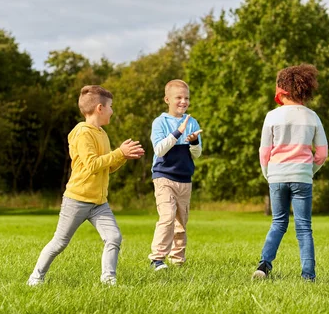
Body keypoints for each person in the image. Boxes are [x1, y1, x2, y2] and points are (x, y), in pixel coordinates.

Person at [27, 85, 145, 286]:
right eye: (110, 107)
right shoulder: (82, 133)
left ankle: (108, 280)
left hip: (99, 203)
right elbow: (91, 165)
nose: (112, 111)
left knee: (114, 237)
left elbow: (106, 167)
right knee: (60, 243)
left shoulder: (102, 133)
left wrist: (123, 156)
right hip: (77, 200)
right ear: (100, 108)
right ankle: (36, 277)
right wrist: (118, 152)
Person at [253, 64, 328, 281]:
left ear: (282, 89)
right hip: (302, 177)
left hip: (276, 176)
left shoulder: (272, 117)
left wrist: (268, 173)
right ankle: (308, 275)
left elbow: (264, 151)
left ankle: (264, 265)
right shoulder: (312, 117)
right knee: (304, 227)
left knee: (278, 223)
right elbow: (322, 153)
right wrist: (309, 171)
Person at [148, 79, 202, 270]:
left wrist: (194, 142)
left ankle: (177, 260)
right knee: (167, 216)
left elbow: (197, 154)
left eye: (186, 98)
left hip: (184, 178)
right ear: (167, 99)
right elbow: (159, 150)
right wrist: (177, 132)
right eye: (178, 97)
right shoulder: (160, 122)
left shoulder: (192, 122)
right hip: (163, 177)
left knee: (181, 222)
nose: (183, 101)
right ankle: (157, 258)